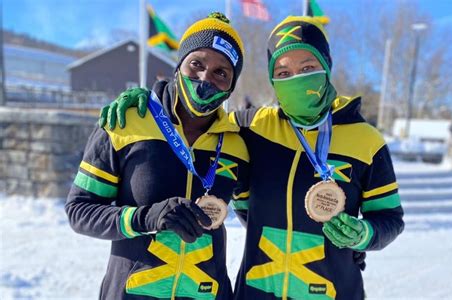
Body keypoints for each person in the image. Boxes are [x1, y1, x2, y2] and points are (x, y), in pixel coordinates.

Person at [100, 16, 404, 300]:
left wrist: (364, 236)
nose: (296, 79)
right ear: (273, 80)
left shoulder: (367, 141)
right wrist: (149, 101)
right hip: (257, 292)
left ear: (327, 65)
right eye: (283, 73)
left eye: (308, 67)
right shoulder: (253, 126)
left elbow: (390, 219)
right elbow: (199, 116)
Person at [66, 12, 249, 299]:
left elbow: (263, 215)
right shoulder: (127, 122)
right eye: (196, 64)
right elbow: (80, 211)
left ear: (231, 86)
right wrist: (144, 218)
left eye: (221, 72)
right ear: (178, 66)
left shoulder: (238, 143)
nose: (205, 78)